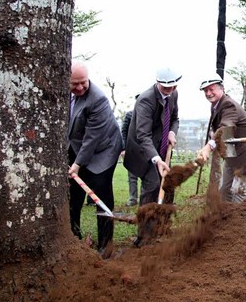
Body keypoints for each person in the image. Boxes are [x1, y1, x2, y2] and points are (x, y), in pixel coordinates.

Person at [67, 62, 123, 257]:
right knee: (73, 194)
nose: (80, 88)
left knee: (101, 193)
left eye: (83, 83)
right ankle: (74, 239)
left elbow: (92, 139)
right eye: (75, 84)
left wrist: (77, 165)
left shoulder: (97, 99)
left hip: (103, 150)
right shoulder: (62, 92)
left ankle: (105, 246)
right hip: (76, 146)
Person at [197, 72, 246, 203]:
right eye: (205, 90)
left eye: (211, 89)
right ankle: (227, 217)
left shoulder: (228, 105)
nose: (208, 93)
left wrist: (209, 146)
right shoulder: (216, 105)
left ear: (221, 88)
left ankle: (240, 220)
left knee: (237, 190)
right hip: (231, 153)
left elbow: (225, 127)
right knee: (224, 188)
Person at [123, 67, 180, 207]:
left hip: (161, 146)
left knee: (168, 182)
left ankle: (163, 223)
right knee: (153, 184)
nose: (169, 90)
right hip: (142, 150)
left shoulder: (174, 93)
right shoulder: (145, 100)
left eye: (172, 86)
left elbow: (174, 119)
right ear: (157, 82)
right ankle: (146, 224)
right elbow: (143, 135)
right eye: (165, 87)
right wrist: (157, 159)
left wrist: (172, 132)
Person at [121, 98, 140, 206]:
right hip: (131, 149)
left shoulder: (149, 115)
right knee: (132, 175)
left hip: (145, 149)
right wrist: (123, 149)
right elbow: (123, 132)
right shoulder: (129, 115)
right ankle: (133, 198)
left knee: (147, 176)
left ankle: (144, 198)